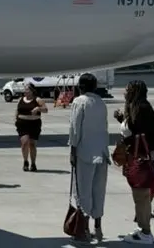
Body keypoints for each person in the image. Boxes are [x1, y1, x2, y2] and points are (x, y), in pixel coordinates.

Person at [115, 80, 154, 245]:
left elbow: (137, 131)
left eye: (127, 89)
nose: (125, 92)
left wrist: (124, 122)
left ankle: (146, 232)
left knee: (141, 195)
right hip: (142, 157)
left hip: (140, 157)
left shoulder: (141, 108)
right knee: (141, 195)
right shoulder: (140, 107)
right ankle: (143, 228)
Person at [67, 73, 110, 243]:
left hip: (85, 153)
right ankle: (98, 228)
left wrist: (72, 150)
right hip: (102, 152)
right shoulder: (101, 103)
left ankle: (82, 229)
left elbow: (75, 129)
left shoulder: (79, 101)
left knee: (82, 192)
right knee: (98, 191)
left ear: (81, 86)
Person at [15, 82, 48, 172]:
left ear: (32, 91)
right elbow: (17, 110)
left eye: (27, 89)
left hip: (34, 124)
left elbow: (45, 110)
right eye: (24, 89)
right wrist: (16, 119)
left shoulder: (38, 100)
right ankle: (25, 161)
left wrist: (38, 108)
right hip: (22, 124)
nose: (25, 91)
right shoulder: (20, 99)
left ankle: (33, 163)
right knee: (24, 142)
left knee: (32, 144)